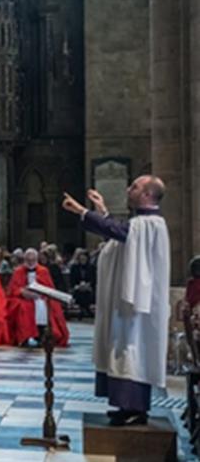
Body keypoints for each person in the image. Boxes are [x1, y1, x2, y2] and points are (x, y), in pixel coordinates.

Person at [62, 178, 170, 426]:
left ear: (146, 194)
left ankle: (135, 407)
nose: (127, 189)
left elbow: (120, 233)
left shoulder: (151, 224)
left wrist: (82, 211)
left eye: (133, 187)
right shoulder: (141, 225)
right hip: (128, 306)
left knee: (132, 352)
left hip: (137, 308)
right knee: (123, 351)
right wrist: (102, 211)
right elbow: (121, 235)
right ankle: (125, 405)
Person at [6, 248, 69, 348]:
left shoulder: (43, 271)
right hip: (24, 298)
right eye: (28, 260)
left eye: (33, 260)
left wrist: (41, 293)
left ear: (36, 259)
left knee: (43, 306)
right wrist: (22, 292)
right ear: (24, 260)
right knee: (23, 308)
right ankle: (24, 337)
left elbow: (49, 288)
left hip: (41, 297)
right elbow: (12, 289)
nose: (30, 262)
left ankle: (42, 335)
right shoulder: (18, 271)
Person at [69, 250, 96, 318]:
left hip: (89, 287)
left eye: (84, 259)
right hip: (77, 287)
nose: (82, 260)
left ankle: (84, 309)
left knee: (88, 293)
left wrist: (88, 285)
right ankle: (85, 309)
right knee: (79, 292)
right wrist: (78, 286)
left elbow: (94, 279)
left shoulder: (92, 267)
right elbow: (72, 280)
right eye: (81, 259)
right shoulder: (74, 267)